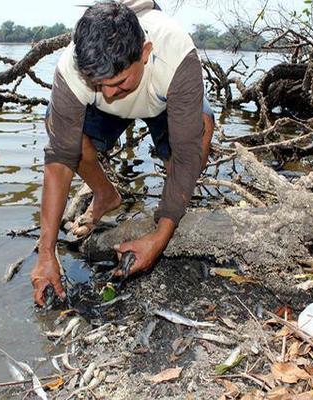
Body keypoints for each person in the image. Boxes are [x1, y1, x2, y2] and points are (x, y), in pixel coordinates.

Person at [31, 0, 215, 305]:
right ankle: (105, 195)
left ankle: (169, 216)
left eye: (117, 83)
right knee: (61, 130)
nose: (107, 94)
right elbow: (59, 161)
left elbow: (186, 154)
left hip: (161, 98)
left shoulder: (176, 54)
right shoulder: (73, 69)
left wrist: (160, 237)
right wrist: (46, 252)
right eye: (97, 84)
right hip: (108, 105)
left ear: (144, 53)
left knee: (201, 129)